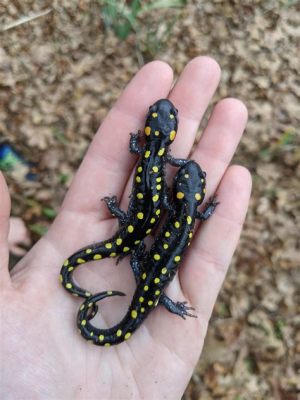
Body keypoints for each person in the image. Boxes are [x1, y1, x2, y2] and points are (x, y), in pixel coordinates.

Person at [0, 57, 251, 399]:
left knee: (143, 273)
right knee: (139, 263)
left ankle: (103, 276)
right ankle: (92, 277)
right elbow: (167, 202)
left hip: (140, 239)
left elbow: (144, 160)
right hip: (138, 237)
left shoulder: (152, 157)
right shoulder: (168, 173)